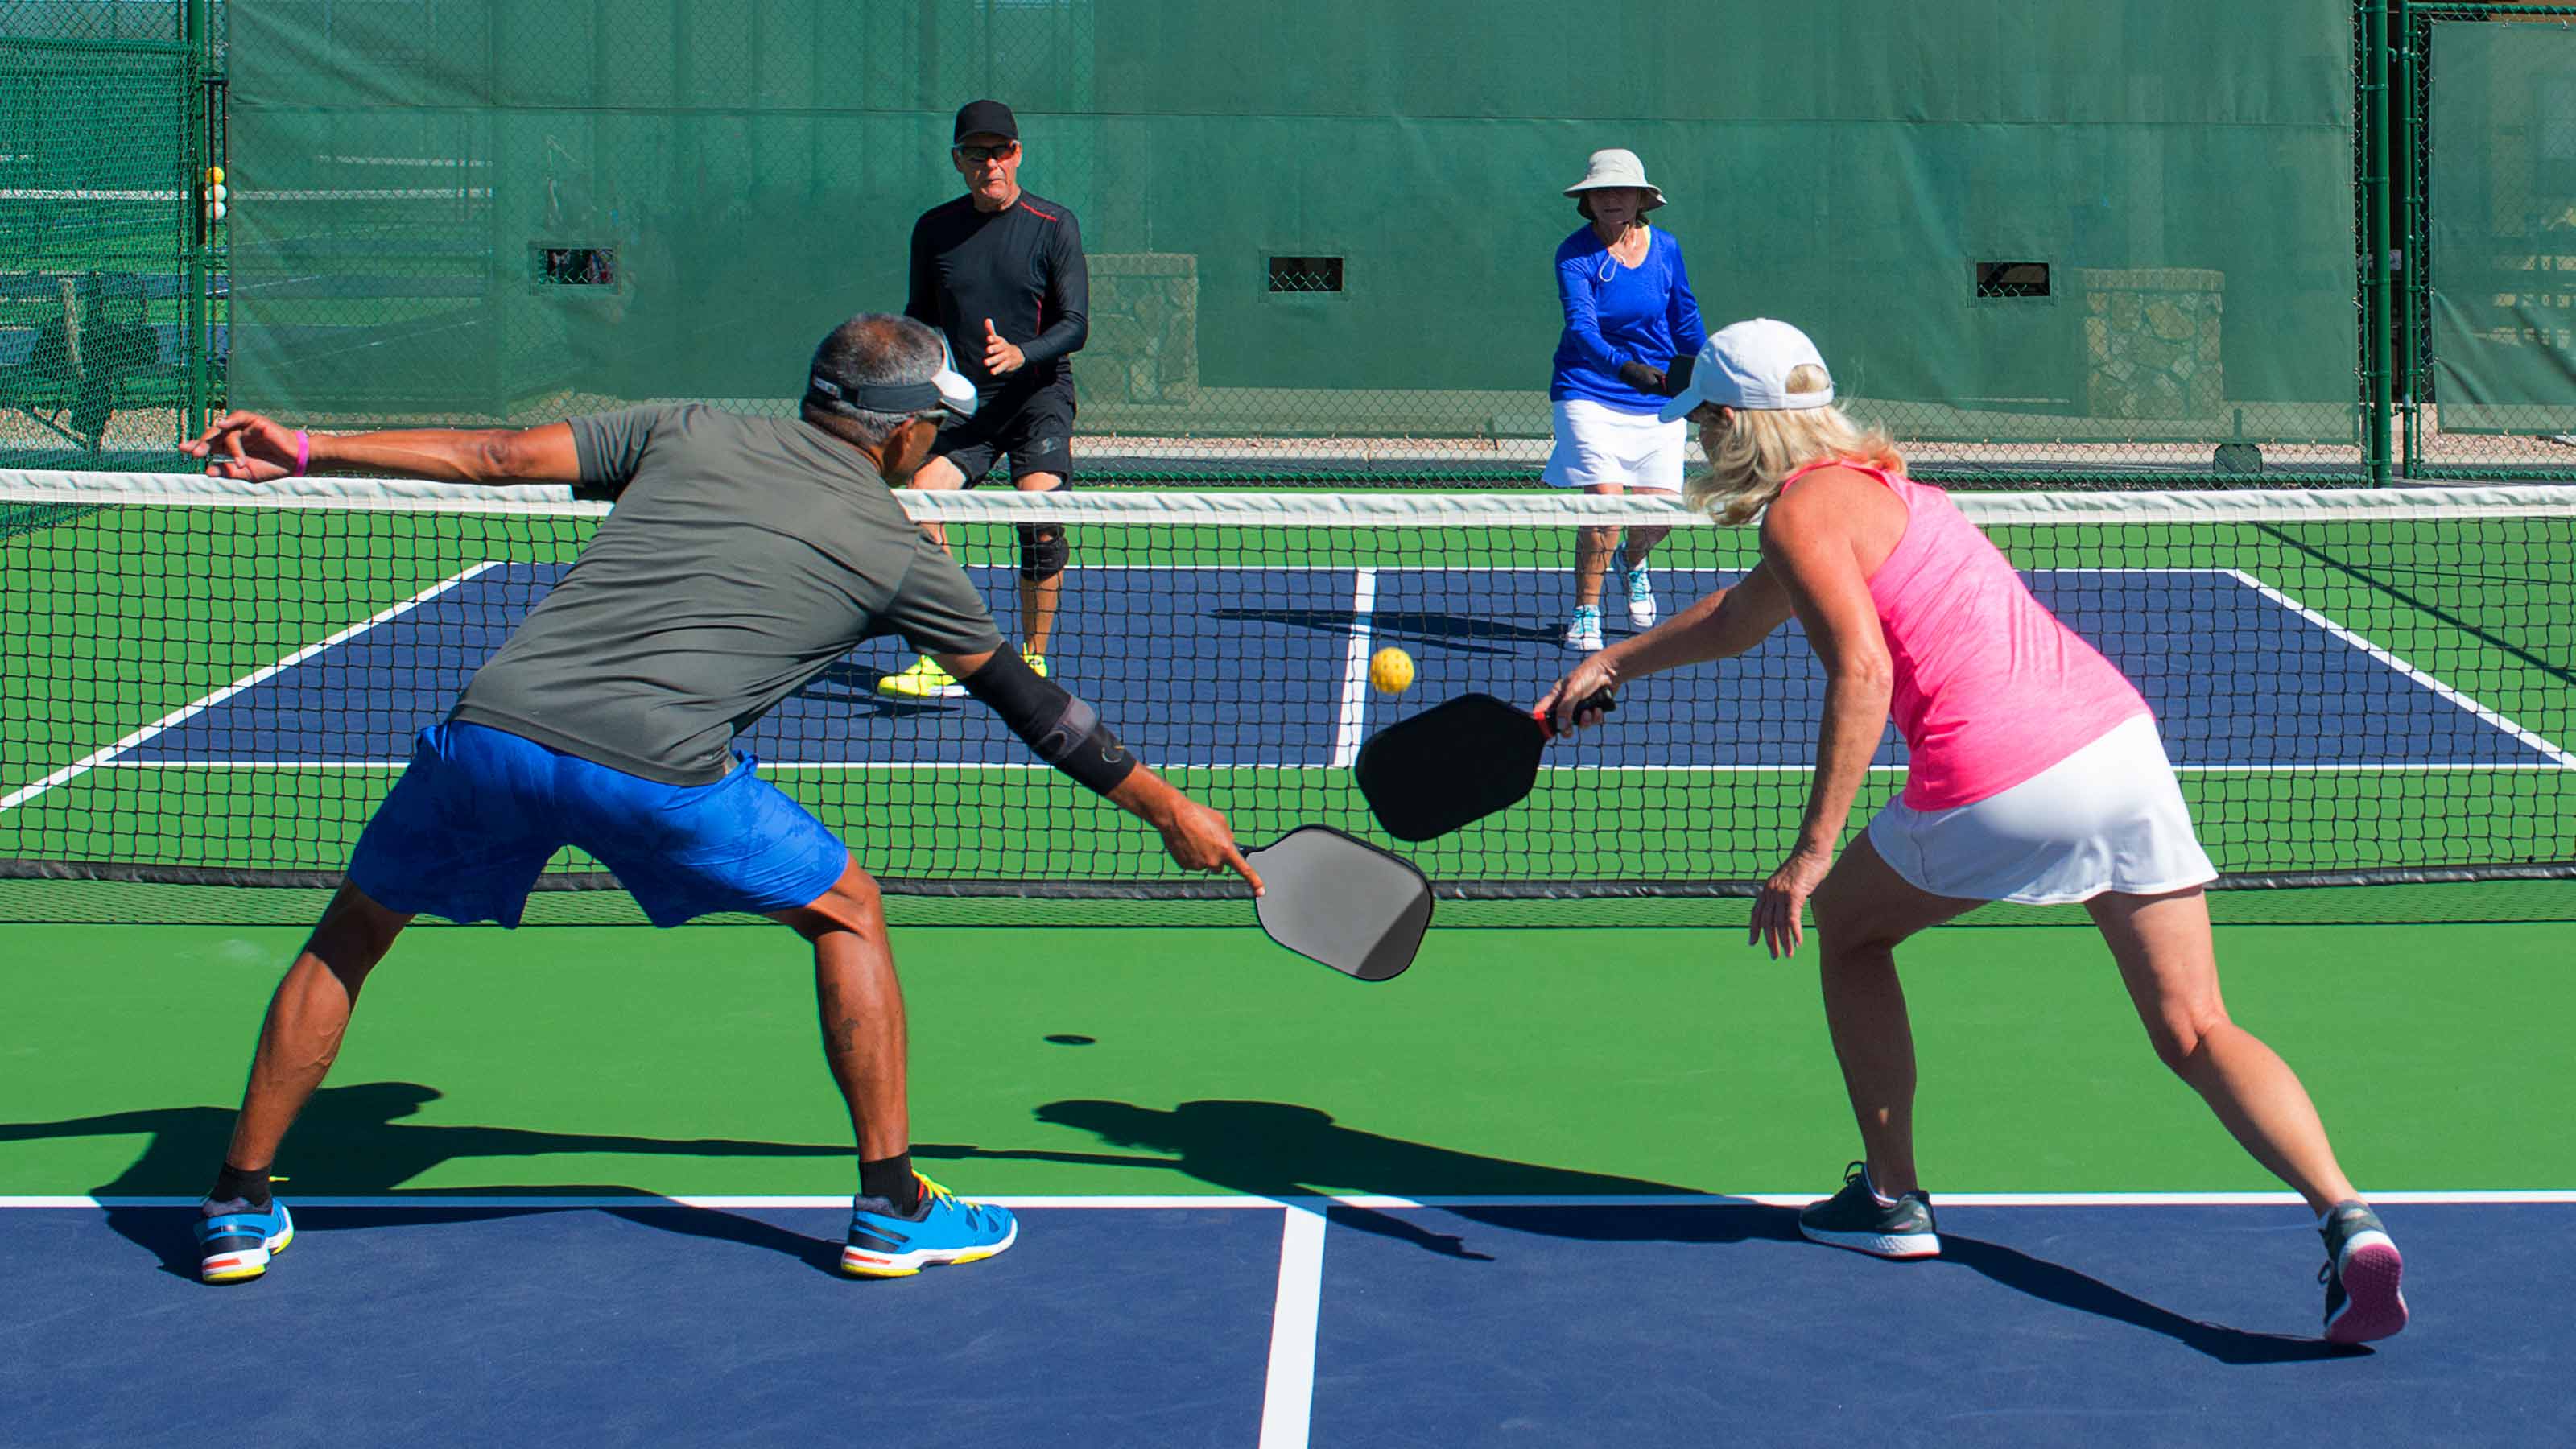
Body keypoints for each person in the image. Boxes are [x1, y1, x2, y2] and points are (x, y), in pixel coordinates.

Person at [175, 313, 1259, 1285]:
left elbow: (495, 457)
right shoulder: (900, 552)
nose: (936, 439)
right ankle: (892, 1206)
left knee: (355, 929)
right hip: (656, 769)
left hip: (493, 732)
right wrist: (1170, 810)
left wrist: (303, 449)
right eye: (932, 423)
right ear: (897, 434)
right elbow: (1036, 708)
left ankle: (236, 1202)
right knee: (848, 911)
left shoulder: (683, 428)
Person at [1537, 319, 2408, 1346]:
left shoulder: (1800, 516)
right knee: (2194, 1026)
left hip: (2000, 775)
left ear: (1734, 422)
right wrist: (1611, 663)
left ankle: (1890, 1199)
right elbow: (1738, 618)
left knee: (1849, 930)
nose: (1699, 442)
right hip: (2117, 746)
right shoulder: (1887, 491)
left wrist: (1808, 856)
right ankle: (2347, 1220)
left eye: (1704, 424)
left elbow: (1862, 672)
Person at [879, 98, 1091, 699]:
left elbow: (1076, 324)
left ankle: (1033, 660)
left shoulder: (1053, 225)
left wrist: (1024, 353)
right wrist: (918, 375)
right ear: (959, 161)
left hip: (1037, 400)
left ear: (1017, 155)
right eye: (977, 154)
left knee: (1040, 520)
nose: (990, 164)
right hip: (966, 408)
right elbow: (919, 318)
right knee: (920, 507)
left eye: (1000, 152)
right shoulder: (935, 229)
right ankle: (950, 655)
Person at [1545, 148, 1707, 654]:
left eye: (1621, 190)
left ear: (1641, 199)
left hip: (1658, 396)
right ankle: (1586, 611)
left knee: (1657, 516)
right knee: (1607, 506)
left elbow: (1684, 317)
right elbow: (1582, 329)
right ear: (1588, 200)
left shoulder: (1666, 249)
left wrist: (1704, 375)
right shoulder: (1574, 254)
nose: (1610, 198)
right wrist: (1626, 369)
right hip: (1588, 389)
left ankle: (1633, 561)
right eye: (1600, 191)